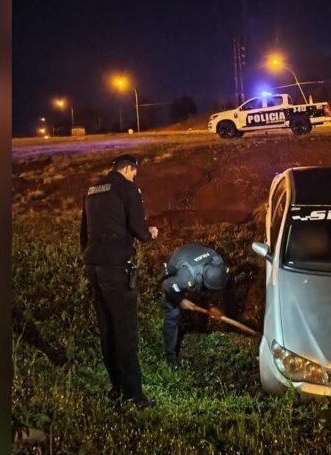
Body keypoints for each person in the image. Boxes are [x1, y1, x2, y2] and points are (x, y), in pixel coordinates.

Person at [80, 154, 159, 408]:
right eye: (134, 172)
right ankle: (134, 395)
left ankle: (116, 388)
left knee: (107, 328)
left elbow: (84, 233)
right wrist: (150, 234)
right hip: (117, 268)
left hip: (94, 265)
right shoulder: (127, 188)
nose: (135, 176)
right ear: (128, 169)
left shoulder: (92, 190)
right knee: (125, 330)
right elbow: (138, 228)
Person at [160, 243, 237, 369]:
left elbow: (217, 290)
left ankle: (227, 324)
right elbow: (166, 285)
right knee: (172, 312)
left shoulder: (219, 264)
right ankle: (171, 358)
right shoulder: (186, 278)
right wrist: (180, 300)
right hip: (180, 259)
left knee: (227, 289)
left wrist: (212, 305)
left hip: (197, 252)